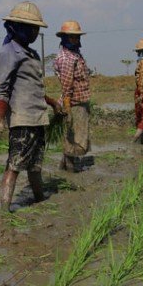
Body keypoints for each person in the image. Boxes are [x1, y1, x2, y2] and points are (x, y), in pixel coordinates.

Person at [0, 1, 65, 212]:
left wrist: (52, 103)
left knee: (35, 165)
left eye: (36, 28)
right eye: (30, 27)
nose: (34, 32)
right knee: (14, 165)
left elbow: (34, 90)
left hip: (38, 118)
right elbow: (3, 88)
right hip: (22, 119)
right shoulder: (8, 53)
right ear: (16, 27)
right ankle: (4, 210)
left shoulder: (32, 54)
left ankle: (39, 200)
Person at [53, 20, 91, 172]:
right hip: (73, 103)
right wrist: (67, 109)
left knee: (71, 137)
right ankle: (71, 170)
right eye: (72, 37)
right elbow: (67, 86)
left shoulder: (75, 54)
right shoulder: (67, 59)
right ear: (64, 38)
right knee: (75, 139)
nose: (76, 39)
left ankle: (65, 166)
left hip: (79, 102)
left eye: (77, 37)